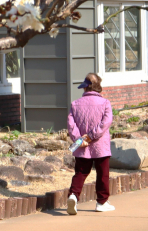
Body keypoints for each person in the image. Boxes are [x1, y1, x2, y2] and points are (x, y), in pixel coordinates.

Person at [66, 73, 115, 215]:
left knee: (80, 173)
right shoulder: (105, 103)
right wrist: (92, 136)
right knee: (102, 174)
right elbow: (106, 122)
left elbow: (71, 124)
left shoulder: (75, 104)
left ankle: (73, 195)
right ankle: (101, 202)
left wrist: (79, 139)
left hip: (82, 146)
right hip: (100, 145)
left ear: (86, 87)